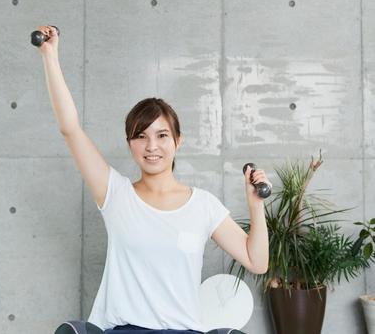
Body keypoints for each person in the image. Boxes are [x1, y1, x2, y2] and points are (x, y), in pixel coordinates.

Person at [37, 25, 270, 334]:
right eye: (141, 136)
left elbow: (257, 262)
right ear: (129, 143)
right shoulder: (114, 193)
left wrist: (256, 206)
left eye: (162, 136)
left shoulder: (203, 206)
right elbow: (70, 129)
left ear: (178, 141)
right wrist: (50, 56)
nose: (152, 147)